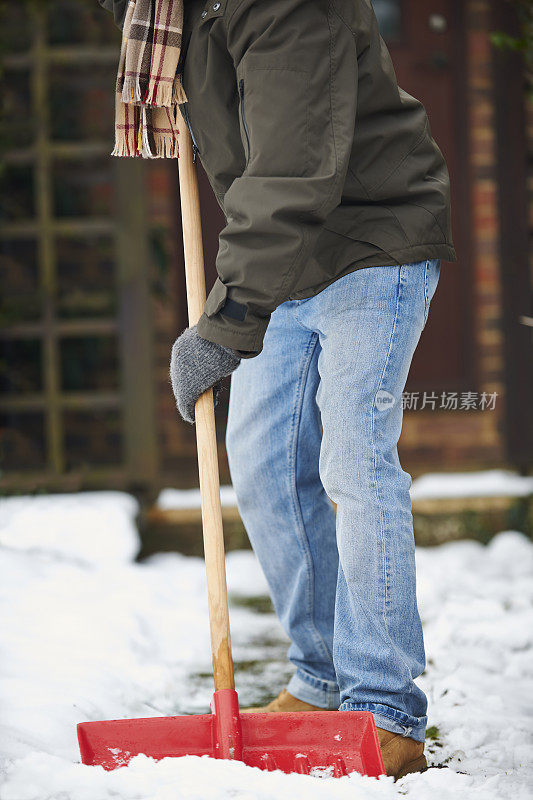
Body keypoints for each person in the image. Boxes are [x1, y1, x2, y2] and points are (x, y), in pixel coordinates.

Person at [102, 0, 456, 779]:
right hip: (285, 255)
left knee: (352, 464)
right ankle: (321, 680)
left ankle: (384, 707)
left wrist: (224, 324)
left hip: (371, 239)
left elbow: (292, 167)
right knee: (260, 458)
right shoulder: (168, 18)